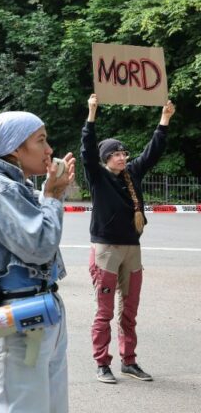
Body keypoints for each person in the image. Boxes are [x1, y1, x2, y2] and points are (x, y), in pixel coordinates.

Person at [0, 111, 75, 413]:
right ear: (16, 149)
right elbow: (40, 247)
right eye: (40, 140)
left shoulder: (18, 186)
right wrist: (53, 196)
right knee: (25, 406)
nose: (49, 150)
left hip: (40, 312)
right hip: (20, 318)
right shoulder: (0, 188)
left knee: (51, 405)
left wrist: (49, 193)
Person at [82, 94, 175, 384]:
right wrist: (92, 113)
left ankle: (129, 361)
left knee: (129, 311)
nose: (122, 157)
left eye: (123, 153)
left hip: (132, 249)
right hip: (106, 250)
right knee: (105, 311)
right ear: (106, 159)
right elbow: (86, 150)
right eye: (116, 154)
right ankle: (102, 363)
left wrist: (165, 119)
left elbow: (153, 152)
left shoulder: (132, 174)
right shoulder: (97, 176)